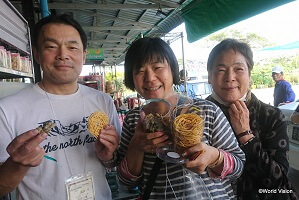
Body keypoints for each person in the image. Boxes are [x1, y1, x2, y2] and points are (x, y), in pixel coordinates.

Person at [0, 14, 121, 200]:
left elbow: (115, 163)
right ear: (37, 54)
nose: (63, 54)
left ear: (83, 55)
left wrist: (108, 157)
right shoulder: (7, 109)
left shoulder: (103, 101)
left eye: (72, 47)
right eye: (51, 46)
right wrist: (18, 165)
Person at [117, 37, 245, 199]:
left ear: (172, 69)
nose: (150, 77)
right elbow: (126, 182)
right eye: (140, 71)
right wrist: (136, 146)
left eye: (157, 67)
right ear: (132, 77)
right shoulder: (134, 119)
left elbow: (239, 168)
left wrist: (213, 156)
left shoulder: (206, 111)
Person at [206, 38, 299, 200]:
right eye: (221, 70)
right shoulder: (197, 114)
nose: (230, 77)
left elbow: (280, 186)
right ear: (209, 77)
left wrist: (245, 135)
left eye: (238, 69)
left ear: (249, 76)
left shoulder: (271, 116)